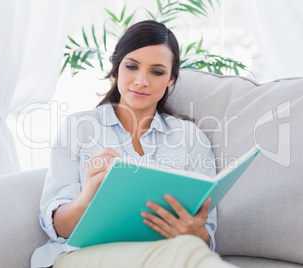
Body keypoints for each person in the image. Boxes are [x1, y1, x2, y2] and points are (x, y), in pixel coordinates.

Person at [31, 20, 235, 268]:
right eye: (131, 66)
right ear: (117, 68)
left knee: (186, 249)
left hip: (164, 255)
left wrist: (196, 232)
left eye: (156, 72)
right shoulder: (79, 128)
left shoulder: (190, 138)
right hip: (81, 256)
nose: (141, 80)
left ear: (171, 79)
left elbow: (205, 237)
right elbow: (58, 228)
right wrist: (86, 198)